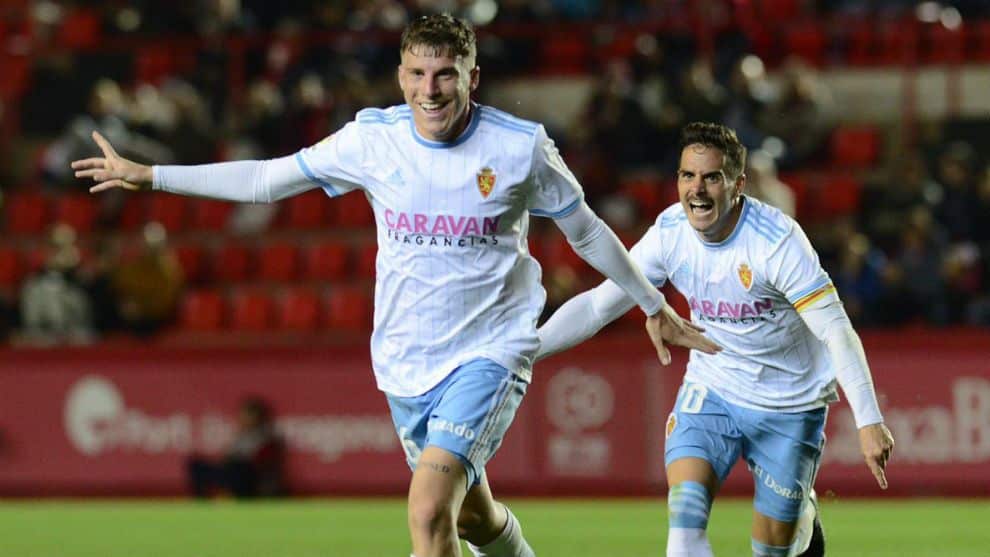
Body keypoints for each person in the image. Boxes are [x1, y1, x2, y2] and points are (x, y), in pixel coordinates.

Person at [72, 14, 719, 557]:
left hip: (490, 353)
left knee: (428, 513)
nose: (430, 90)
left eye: (445, 75)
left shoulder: (518, 147)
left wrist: (652, 302)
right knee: (473, 519)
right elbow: (269, 180)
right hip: (406, 363)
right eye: (417, 74)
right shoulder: (372, 140)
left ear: (472, 77)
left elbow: (586, 231)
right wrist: (151, 175)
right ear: (401, 76)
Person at [537, 122, 895, 557]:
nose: (697, 190)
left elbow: (835, 329)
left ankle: (801, 517)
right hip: (715, 390)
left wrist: (869, 419)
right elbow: (598, 306)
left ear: (738, 184)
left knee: (772, 550)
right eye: (687, 176)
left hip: (789, 403)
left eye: (712, 177)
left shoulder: (776, 243)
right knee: (684, 516)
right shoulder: (670, 233)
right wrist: (526, 351)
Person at [187, 397, 286, 499]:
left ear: (258, 416)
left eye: (248, 415)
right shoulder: (240, 436)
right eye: (243, 414)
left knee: (239, 467)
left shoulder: (267, 437)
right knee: (196, 464)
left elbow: (261, 464)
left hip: (248, 475)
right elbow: (226, 456)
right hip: (230, 469)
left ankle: (234, 497)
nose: (244, 418)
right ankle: (203, 500)